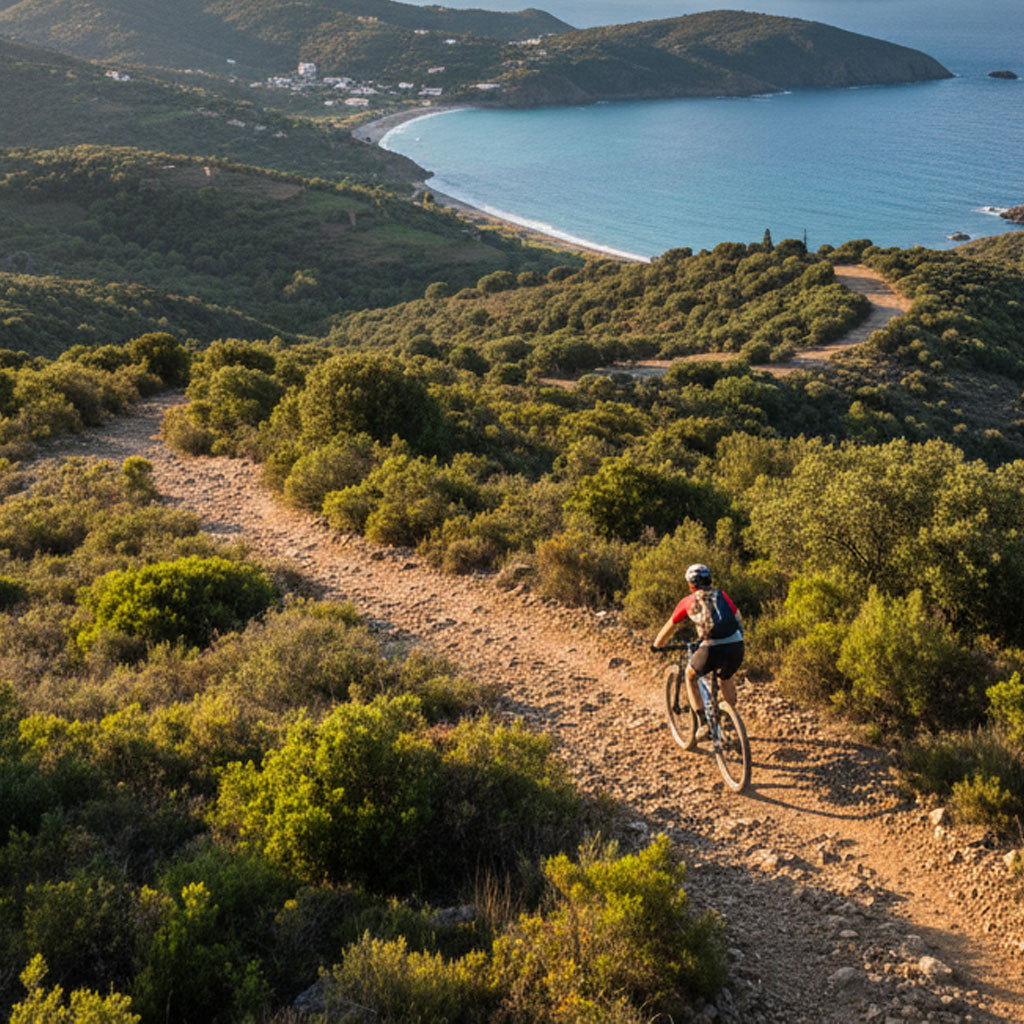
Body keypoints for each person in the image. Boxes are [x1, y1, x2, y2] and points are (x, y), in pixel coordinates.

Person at [652, 563, 744, 735]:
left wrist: (656, 645)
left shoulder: (688, 601)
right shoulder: (722, 595)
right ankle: (732, 718)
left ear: (691, 584)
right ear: (709, 580)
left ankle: (703, 724)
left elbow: (670, 627)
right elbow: (738, 616)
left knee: (690, 676)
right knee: (726, 675)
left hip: (711, 647)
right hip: (736, 644)